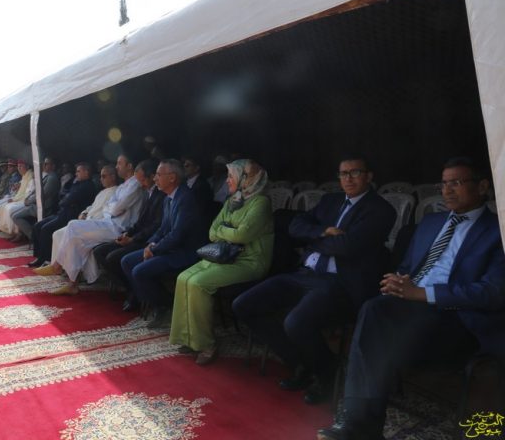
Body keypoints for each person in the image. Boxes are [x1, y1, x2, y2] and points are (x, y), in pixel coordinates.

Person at [318, 157, 505, 440]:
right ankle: (359, 422)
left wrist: (423, 293)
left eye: (456, 182)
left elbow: (493, 292)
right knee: (376, 313)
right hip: (411, 309)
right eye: (443, 183)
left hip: (459, 318)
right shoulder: (431, 222)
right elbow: (408, 267)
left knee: (374, 317)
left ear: (482, 186)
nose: (447, 190)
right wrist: (398, 281)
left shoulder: (497, 231)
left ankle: (358, 423)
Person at [232, 155, 396, 406]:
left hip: (340, 284)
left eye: (355, 172)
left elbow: (347, 247)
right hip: (305, 275)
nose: (348, 178)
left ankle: (326, 371)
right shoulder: (330, 201)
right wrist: (321, 232)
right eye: (343, 173)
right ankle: (301, 363)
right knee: (244, 305)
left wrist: (313, 239)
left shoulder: (381, 210)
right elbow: (295, 226)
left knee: (296, 322)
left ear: (369, 176)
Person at [171, 159, 274, 365]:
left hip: (249, 262)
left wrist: (225, 230)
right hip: (225, 256)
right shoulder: (233, 200)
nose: (227, 180)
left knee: (198, 283)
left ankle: (206, 344)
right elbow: (212, 231)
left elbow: (243, 235)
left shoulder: (261, 203)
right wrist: (230, 231)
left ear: (246, 179)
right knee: (183, 278)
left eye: (231, 176)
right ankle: (189, 338)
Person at [35, 154, 144, 295]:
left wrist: (112, 208)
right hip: (108, 222)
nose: (117, 167)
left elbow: (115, 208)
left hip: (119, 229)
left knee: (73, 225)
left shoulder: (135, 185)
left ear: (129, 166)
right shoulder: (123, 186)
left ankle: (57, 265)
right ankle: (72, 283)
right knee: (76, 238)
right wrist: (112, 209)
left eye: (119, 163)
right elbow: (109, 209)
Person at [120, 159, 206, 327]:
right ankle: (152, 300)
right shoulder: (168, 198)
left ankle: (166, 306)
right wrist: (150, 244)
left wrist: (155, 249)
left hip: (184, 252)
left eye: (159, 175)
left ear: (172, 177)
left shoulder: (186, 198)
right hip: (169, 248)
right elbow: (162, 229)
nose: (155, 178)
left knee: (139, 271)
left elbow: (177, 235)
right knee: (127, 261)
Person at [92, 159, 164, 306]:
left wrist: (133, 239)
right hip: (137, 235)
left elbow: (156, 226)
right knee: (99, 251)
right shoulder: (148, 192)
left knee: (114, 257)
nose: (141, 184)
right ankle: (130, 288)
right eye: (139, 181)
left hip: (147, 240)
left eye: (143, 180)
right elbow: (140, 222)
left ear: (152, 177)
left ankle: (136, 292)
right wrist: (128, 234)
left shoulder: (161, 196)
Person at [27, 162, 99, 268]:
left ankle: (46, 259)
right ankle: (39, 257)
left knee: (46, 229)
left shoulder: (88, 186)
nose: (76, 174)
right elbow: (63, 193)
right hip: (63, 212)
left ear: (86, 172)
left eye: (79, 171)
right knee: (37, 226)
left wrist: (65, 199)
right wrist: (65, 199)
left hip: (71, 216)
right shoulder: (77, 183)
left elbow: (70, 198)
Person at [10, 157, 60, 243]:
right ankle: (28, 235)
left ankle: (34, 237)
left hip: (44, 208)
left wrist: (29, 201)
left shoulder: (52, 178)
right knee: (13, 213)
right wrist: (28, 198)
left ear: (53, 166)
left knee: (15, 216)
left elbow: (42, 195)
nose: (44, 165)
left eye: (46, 164)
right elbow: (36, 191)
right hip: (37, 204)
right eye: (44, 163)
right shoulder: (48, 176)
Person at [0, 160, 34, 234]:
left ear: (27, 167)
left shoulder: (30, 176)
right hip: (18, 198)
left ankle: (17, 233)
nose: (19, 168)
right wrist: (17, 187)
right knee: (3, 207)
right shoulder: (24, 176)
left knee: (10, 208)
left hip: (25, 200)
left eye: (21, 166)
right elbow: (19, 187)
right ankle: (9, 230)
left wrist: (14, 199)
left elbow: (27, 194)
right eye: (18, 167)